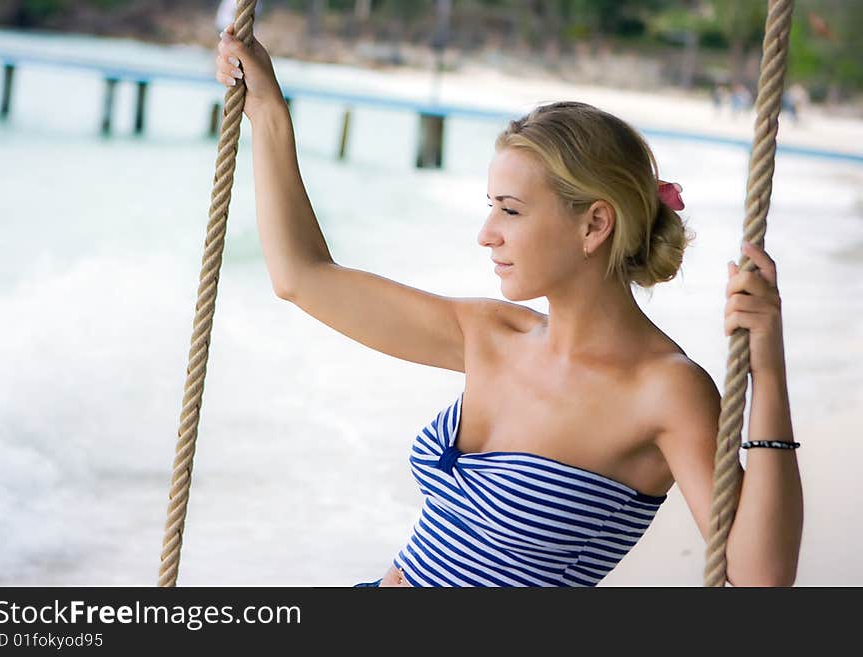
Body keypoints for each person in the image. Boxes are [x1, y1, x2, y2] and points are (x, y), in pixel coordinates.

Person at [214, 24, 804, 587]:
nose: (487, 233)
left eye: (511, 210)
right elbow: (302, 278)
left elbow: (759, 578)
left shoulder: (664, 390)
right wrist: (268, 110)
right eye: (490, 206)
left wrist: (769, 373)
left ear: (594, 224)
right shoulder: (490, 334)